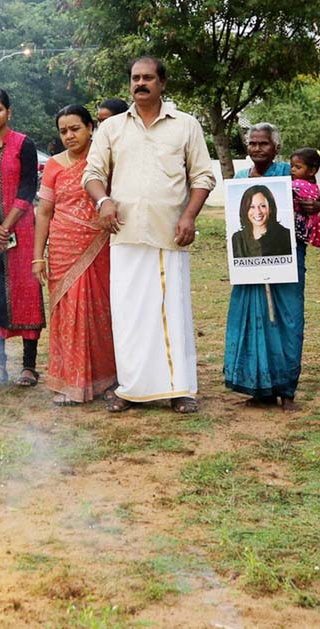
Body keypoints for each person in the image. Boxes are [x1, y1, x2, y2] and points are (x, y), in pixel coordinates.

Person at [83, 56, 215, 413]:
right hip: (124, 233)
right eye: (135, 78)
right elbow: (92, 173)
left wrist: (189, 216)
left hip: (169, 232)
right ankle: (132, 388)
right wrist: (104, 201)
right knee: (128, 314)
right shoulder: (112, 129)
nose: (140, 84)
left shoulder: (185, 125)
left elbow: (203, 176)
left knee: (171, 312)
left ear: (162, 83)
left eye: (147, 78)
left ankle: (179, 389)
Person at [223, 122, 320, 411]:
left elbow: (312, 199)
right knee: (252, 320)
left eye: (263, 143)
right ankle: (259, 387)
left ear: (276, 147)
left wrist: (313, 207)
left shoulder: (289, 175)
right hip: (249, 265)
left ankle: (286, 389)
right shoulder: (240, 179)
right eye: (252, 143)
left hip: (286, 262)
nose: (256, 148)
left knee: (288, 321)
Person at [33, 104, 116, 405]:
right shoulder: (54, 165)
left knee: (100, 311)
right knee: (67, 314)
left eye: (75, 129)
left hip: (100, 247)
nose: (69, 135)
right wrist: (37, 256)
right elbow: (44, 212)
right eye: (63, 131)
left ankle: (106, 378)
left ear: (91, 127)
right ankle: (70, 381)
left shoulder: (104, 160)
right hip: (63, 248)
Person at [0, 87, 45, 387]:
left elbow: (29, 188)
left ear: (8, 112)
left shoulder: (23, 144)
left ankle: (29, 366)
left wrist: (7, 225)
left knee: (25, 291)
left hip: (21, 230)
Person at [230, 184, 292, 257]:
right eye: (252, 207)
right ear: (245, 209)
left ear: (271, 208)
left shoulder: (286, 236)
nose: (258, 212)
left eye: (263, 206)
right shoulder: (237, 239)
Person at [289, 148, 320, 250]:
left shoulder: (298, 184)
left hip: (298, 226)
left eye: (298, 167)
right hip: (307, 226)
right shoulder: (313, 186)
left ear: (312, 171)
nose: (292, 170)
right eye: (292, 166)